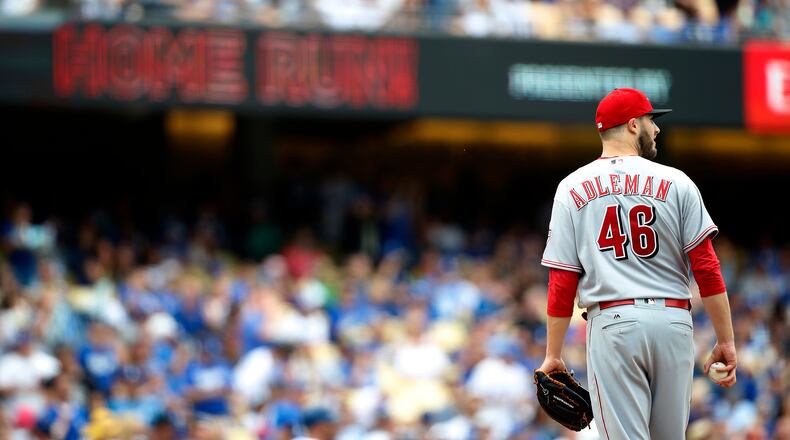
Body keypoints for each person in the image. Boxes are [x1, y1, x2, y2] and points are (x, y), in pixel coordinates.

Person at [536, 87, 737, 439]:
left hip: (614, 326)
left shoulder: (571, 187)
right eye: (649, 120)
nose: (655, 128)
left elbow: (562, 280)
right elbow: (706, 267)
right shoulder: (677, 181)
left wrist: (553, 353)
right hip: (673, 323)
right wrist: (726, 340)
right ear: (632, 125)